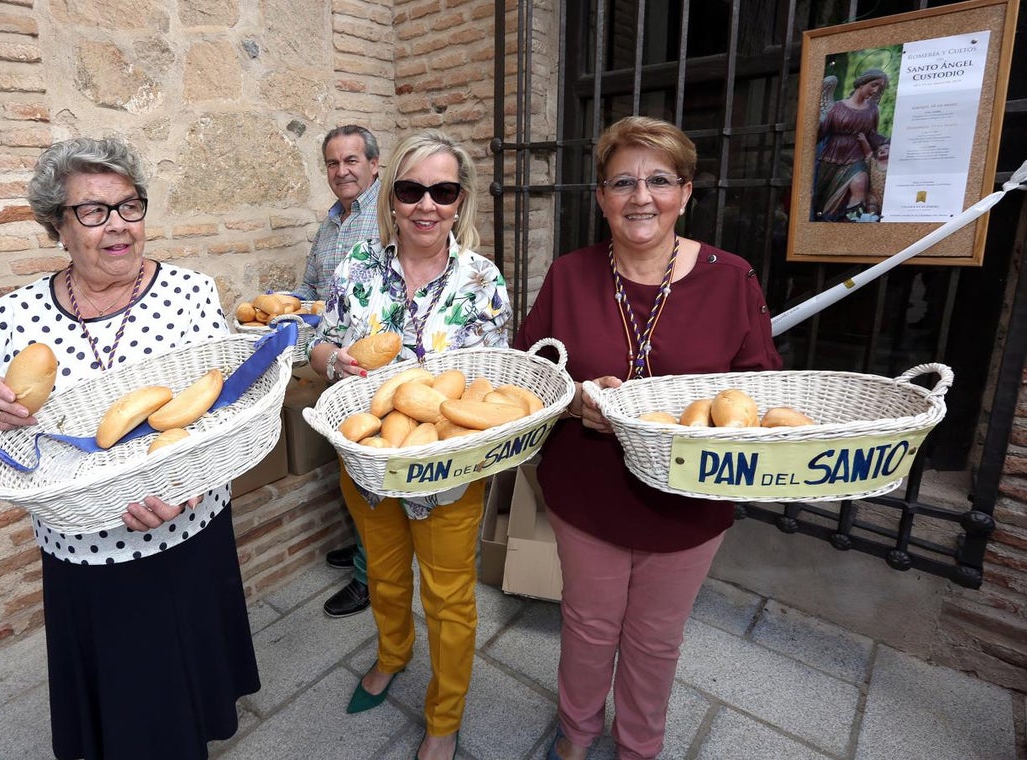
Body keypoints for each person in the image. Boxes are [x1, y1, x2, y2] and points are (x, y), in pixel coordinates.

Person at [0, 137, 259, 760]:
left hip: (188, 529)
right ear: (57, 227)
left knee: (185, 696)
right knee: (126, 706)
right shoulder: (17, 317)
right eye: (93, 211)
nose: (117, 225)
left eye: (130, 206)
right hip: (84, 549)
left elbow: (221, 407)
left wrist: (191, 484)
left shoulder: (191, 294)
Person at [513, 116, 781, 760]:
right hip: (589, 488)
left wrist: (708, 415)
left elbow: (762, 388)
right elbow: (526, 370)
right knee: (587, 624)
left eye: (660, 180)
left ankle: (640, 746)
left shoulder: (731, 277)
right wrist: (574, 400)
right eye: (622, 181)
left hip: (691, 495)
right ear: (601, 197)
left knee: (656, 637)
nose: (641, 197)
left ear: (686, 193)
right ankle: (576, 734)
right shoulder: (570, 275)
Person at [308, 129, 511, 760]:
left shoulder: (482, 279)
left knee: (449, 598)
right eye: (411, 189)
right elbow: (314, 345)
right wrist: (331, 358)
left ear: (461, 200)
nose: (426, 204)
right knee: (388, 578)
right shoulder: (356, 269)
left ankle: (444, 718)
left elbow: (495, 384)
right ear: (390, 197)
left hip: (449, 471)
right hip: (367, 463)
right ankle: (393, 655)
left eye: (443, 190)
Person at [293, 124, 383, 619]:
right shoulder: (330, 225)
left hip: (371, 369)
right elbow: (311, 288)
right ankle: (363, 546)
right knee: (349, 465)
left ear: (374, 164)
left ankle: (371, 575)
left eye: (352, 160)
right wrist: (288, 311)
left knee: (368, 467)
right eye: (332, 163)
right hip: (334, 364)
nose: (342, 171)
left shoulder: (389, 217)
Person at [812, 68, 890, 222]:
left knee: (860, 182)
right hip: (831, 157)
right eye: (873, 85)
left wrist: (891, 142)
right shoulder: (836, 107)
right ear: (862, 83)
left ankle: (854, 222)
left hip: (856, 157)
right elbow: (821, 133)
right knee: (820, 197)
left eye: (879, 88)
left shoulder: (873, 109)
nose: (875, 90)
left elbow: (872, 136)